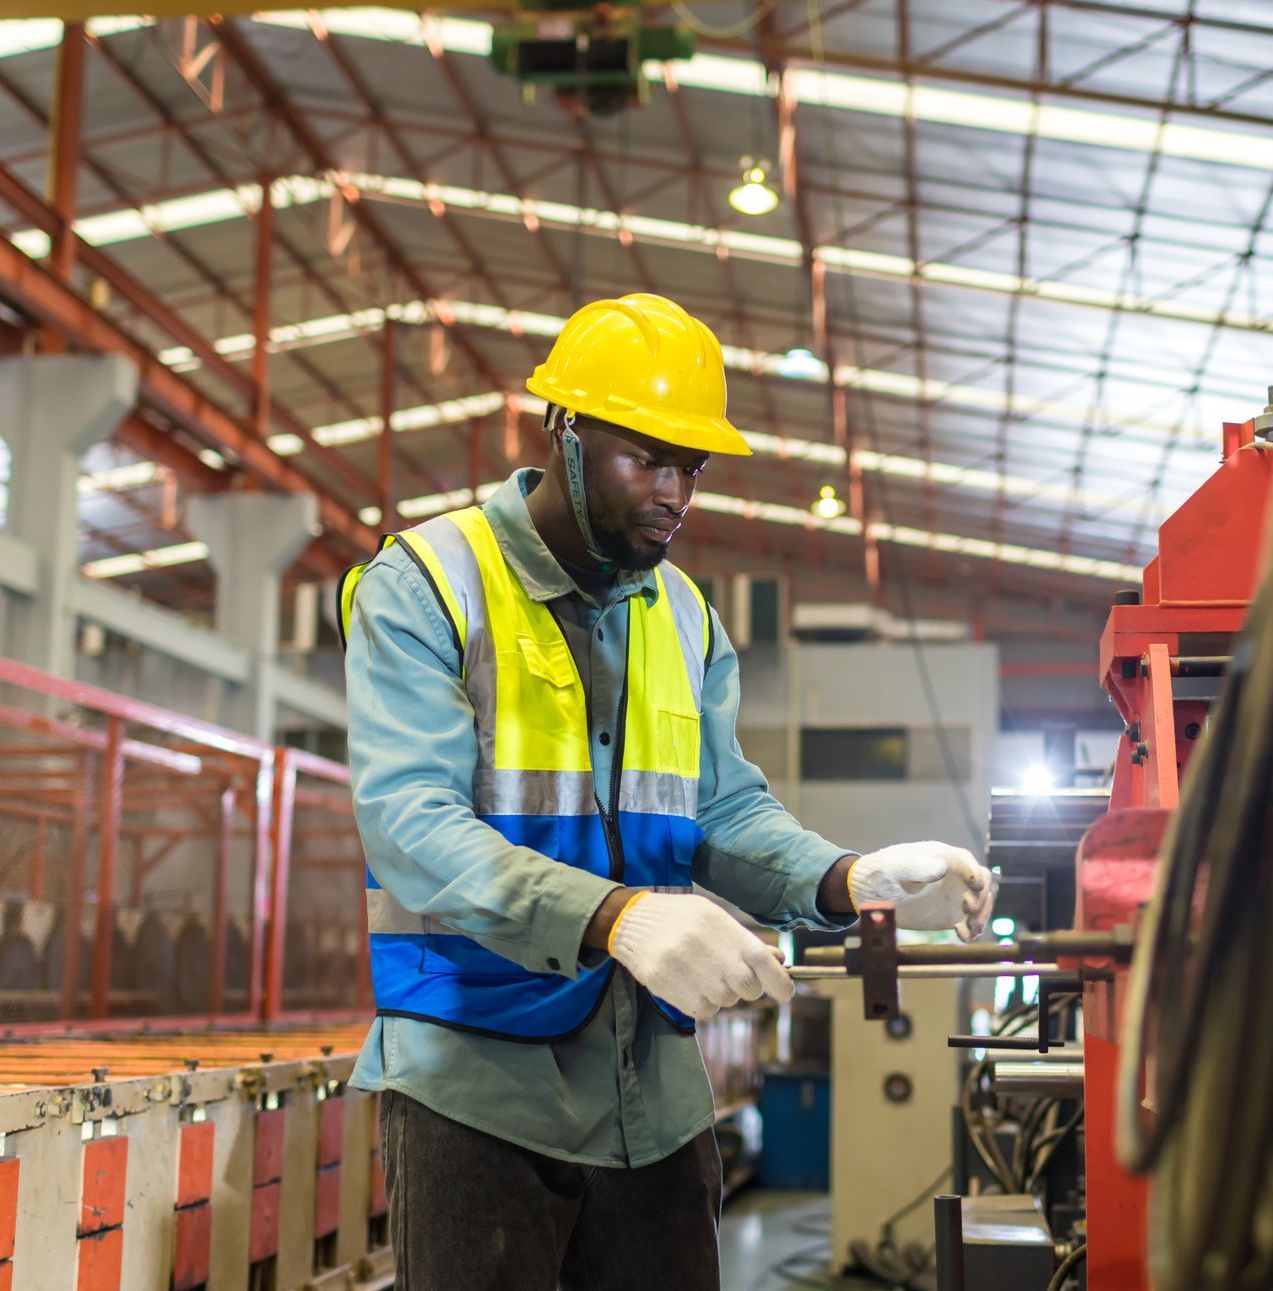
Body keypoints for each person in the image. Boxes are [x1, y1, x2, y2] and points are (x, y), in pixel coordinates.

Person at [339, 292, 993, 1290]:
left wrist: (852, 876)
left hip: (653, 1101)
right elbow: (410, 827)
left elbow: (722, 814)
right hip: (473, 1094)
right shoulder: (429, 582)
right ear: (564, 433)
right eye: (647, 456)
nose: (675, 491)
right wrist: (615, 917)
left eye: (692, 467)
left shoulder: (684, 616)